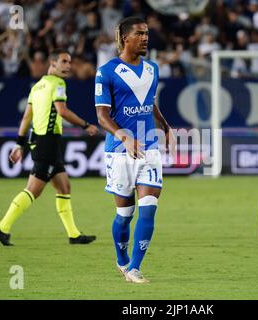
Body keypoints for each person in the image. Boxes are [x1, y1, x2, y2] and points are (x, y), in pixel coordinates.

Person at [95, 16, 175, 283]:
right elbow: (102, 116)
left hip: (149, 147)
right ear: (125, 38)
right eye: (140, 34)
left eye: (147, 34)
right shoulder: (106, 72)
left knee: (149, 206)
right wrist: (123, 137)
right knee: (124, 215)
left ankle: (135, 268)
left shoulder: (152, 68)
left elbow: (148, 102)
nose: (145, 38)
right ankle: (121, 259)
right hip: (119, 151)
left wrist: (165, 126)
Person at [0, 49, 99, 246]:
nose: (68, 66)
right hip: (48, 142)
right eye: (64, 61)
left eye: (69, 62)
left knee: (64, 186)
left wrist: (19, 144)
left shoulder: (38, 86)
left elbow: (26, 117)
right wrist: (86, 125)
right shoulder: (58, 84)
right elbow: (62, 111)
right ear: (53, 63)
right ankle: (2, 227)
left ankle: (74, 235)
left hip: (40, 140)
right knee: (34, 189)